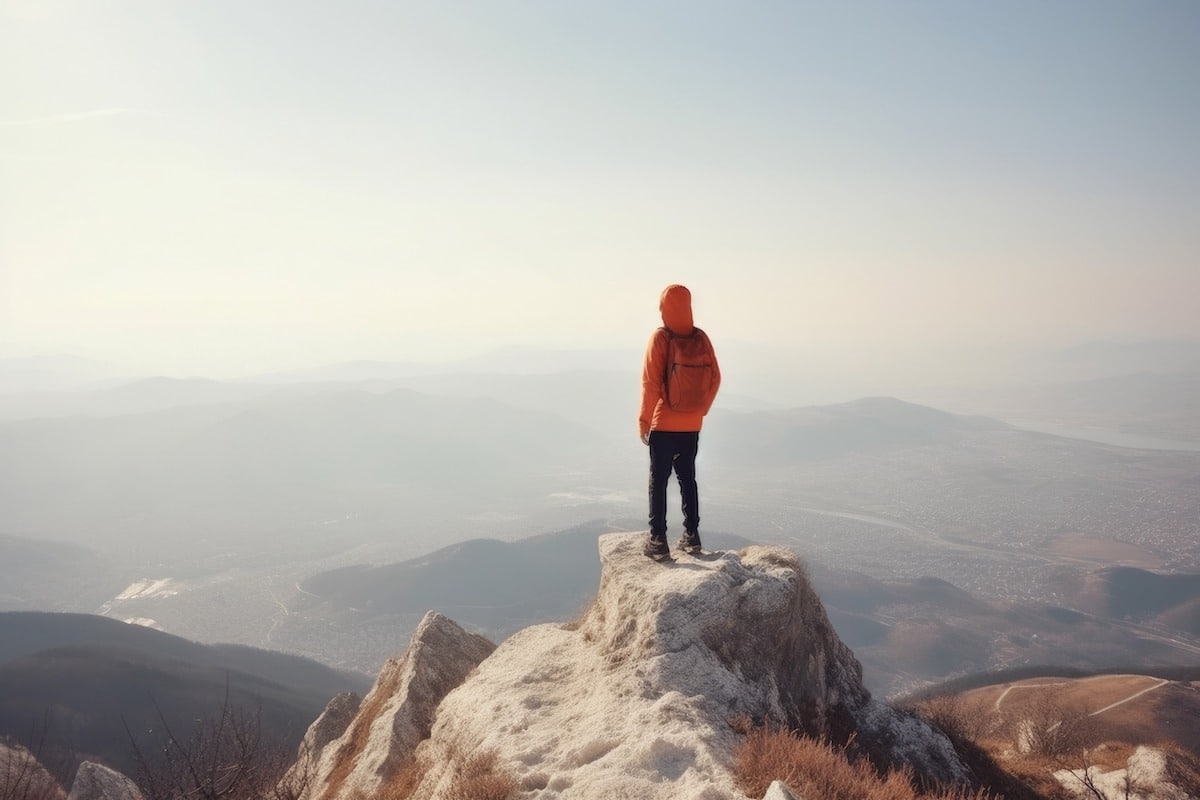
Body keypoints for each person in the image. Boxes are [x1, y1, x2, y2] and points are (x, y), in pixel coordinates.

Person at [638, 284, 721, 560]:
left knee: (658, 481)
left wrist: (644, 420)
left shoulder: (660, 338)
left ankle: (658, 540)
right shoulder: (701, 339)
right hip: (692, 426)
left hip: (663, 425)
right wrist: (700, 410)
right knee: (688, 478)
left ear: (663, 307)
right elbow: (716, 378)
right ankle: (692, 536)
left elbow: (650, 384)